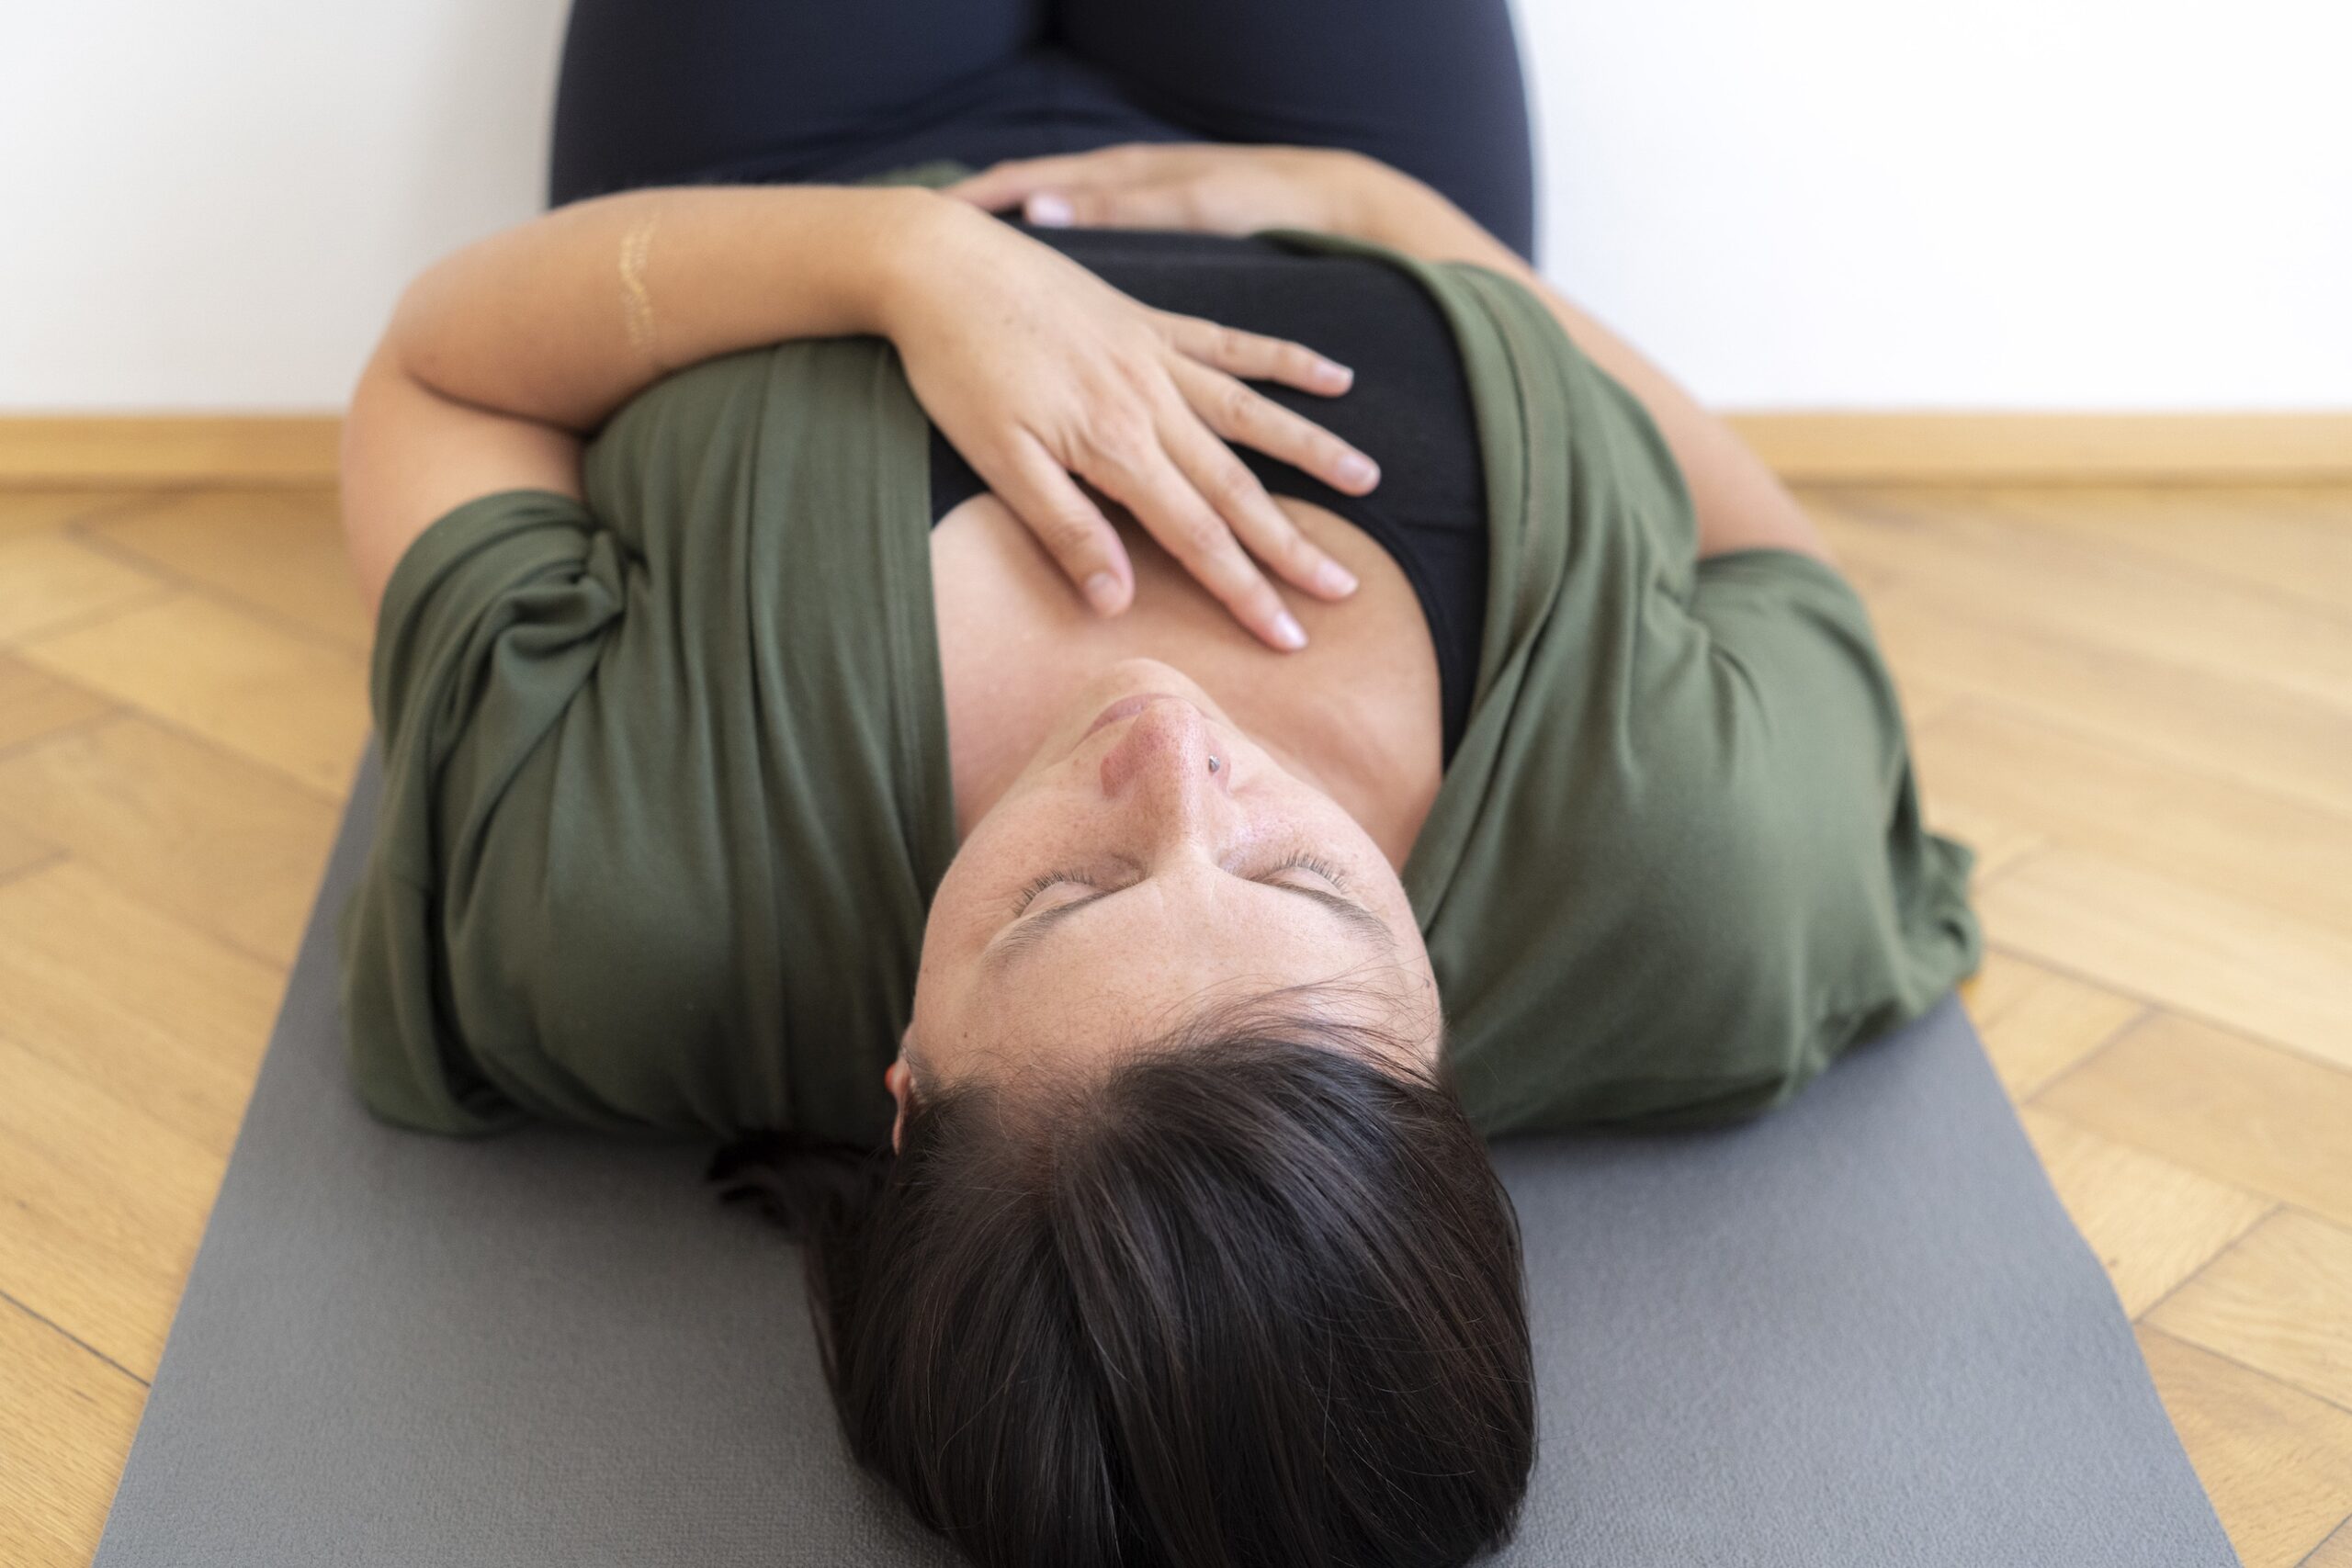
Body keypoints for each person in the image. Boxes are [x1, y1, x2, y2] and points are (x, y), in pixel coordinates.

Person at [334, 3, 1981, 1564]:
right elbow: (1772, 560)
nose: (1174, 747)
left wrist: (899, 258)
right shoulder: (1715, 882)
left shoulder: (599, 897)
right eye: (1301, 883)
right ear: (1441, 1050)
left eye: (1068, 893)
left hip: (785, 157)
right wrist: (1377, 206)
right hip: (1332, 158)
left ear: (905, 1098)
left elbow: (440, 375)